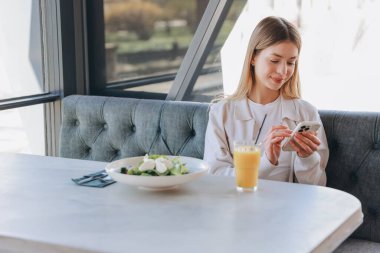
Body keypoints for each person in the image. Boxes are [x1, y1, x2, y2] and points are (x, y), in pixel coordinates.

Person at [203, 16, 329, 185]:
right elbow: (215, 177)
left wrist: (306, 158)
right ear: (253, 57)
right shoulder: (221, 112)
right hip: (237, 207)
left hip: (288, 208)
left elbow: (317, 186)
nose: (283, 71)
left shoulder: (306, 113)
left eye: (291, 62)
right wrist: (266, 161)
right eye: (274, 60)